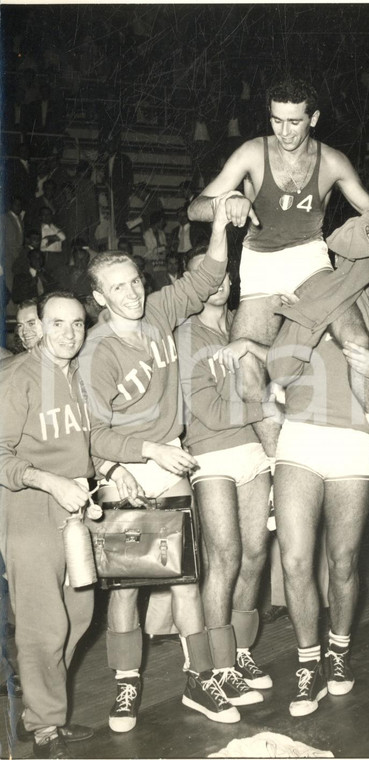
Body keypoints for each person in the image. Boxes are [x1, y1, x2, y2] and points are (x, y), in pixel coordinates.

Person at [188, 78, 369, 489]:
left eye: (294, 122)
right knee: (245, 365)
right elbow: (194, 207)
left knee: (356, 339)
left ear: (314, 118)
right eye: (277, 121)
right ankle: (276, 467)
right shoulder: (253, 152)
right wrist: (227, 202)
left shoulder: (333, 161)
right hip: (260, 263)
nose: (285, 132)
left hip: (309, 258)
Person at [78, 193, 234, 733]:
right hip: (125, 472)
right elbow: (94, 434)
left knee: (186, 581)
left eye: (135, 281)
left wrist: (219, 222)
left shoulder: (160, 312)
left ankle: (200, 680)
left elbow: (207, 275)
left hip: (170, 467)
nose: (132, 293)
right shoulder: (95, 353)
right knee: (128, 588)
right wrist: (148, 452)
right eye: (118, 287)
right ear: (99, 296)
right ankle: (125, 688)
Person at [269, 283, 369, 716]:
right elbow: (278, 371)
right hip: (301, 434)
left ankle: (337, 651)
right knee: (294, 560)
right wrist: (309, 325)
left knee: (343, 561)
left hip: (356, 442)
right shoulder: (306, 298)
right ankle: (307, 664)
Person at [0, 292, 136, 759]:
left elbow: (89, 437)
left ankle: (44, 710)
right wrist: (48, 481)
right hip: (29, 508)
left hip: (75, 508)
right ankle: (42, 728)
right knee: (43, 624)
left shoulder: (78, 375)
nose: (69, 334)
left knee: (78, 616)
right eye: (57, 324)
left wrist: (115, 468)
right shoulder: (18, 377)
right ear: (38, 324)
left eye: (77, 324)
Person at [175, 247, 275, 721]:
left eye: (223, 276)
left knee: (256, 555)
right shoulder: (184, 334)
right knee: (226, 555)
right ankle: (216, 664)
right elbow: (210, 413)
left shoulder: (243, 323)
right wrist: (267, 408)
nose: (218, 282)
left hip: (253, 449)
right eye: (205, 275)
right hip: (211, 452)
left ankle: (238, 652)